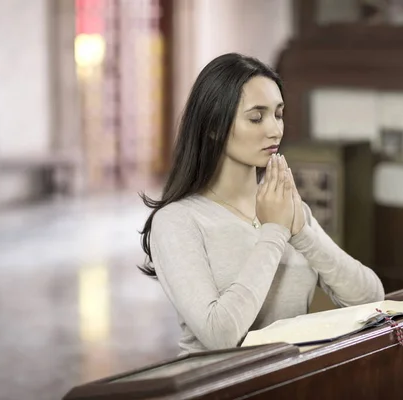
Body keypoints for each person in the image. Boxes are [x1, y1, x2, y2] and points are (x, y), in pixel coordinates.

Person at [138, 53, 384, 355]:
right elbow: (220, 335)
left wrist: (302, 233)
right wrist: (274, 231)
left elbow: (372, 298)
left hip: (291, 381)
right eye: (256, 117)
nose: (274, 130)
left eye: (278, 114)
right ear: (214, 126)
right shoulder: (178, 221)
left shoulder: (284, 207)